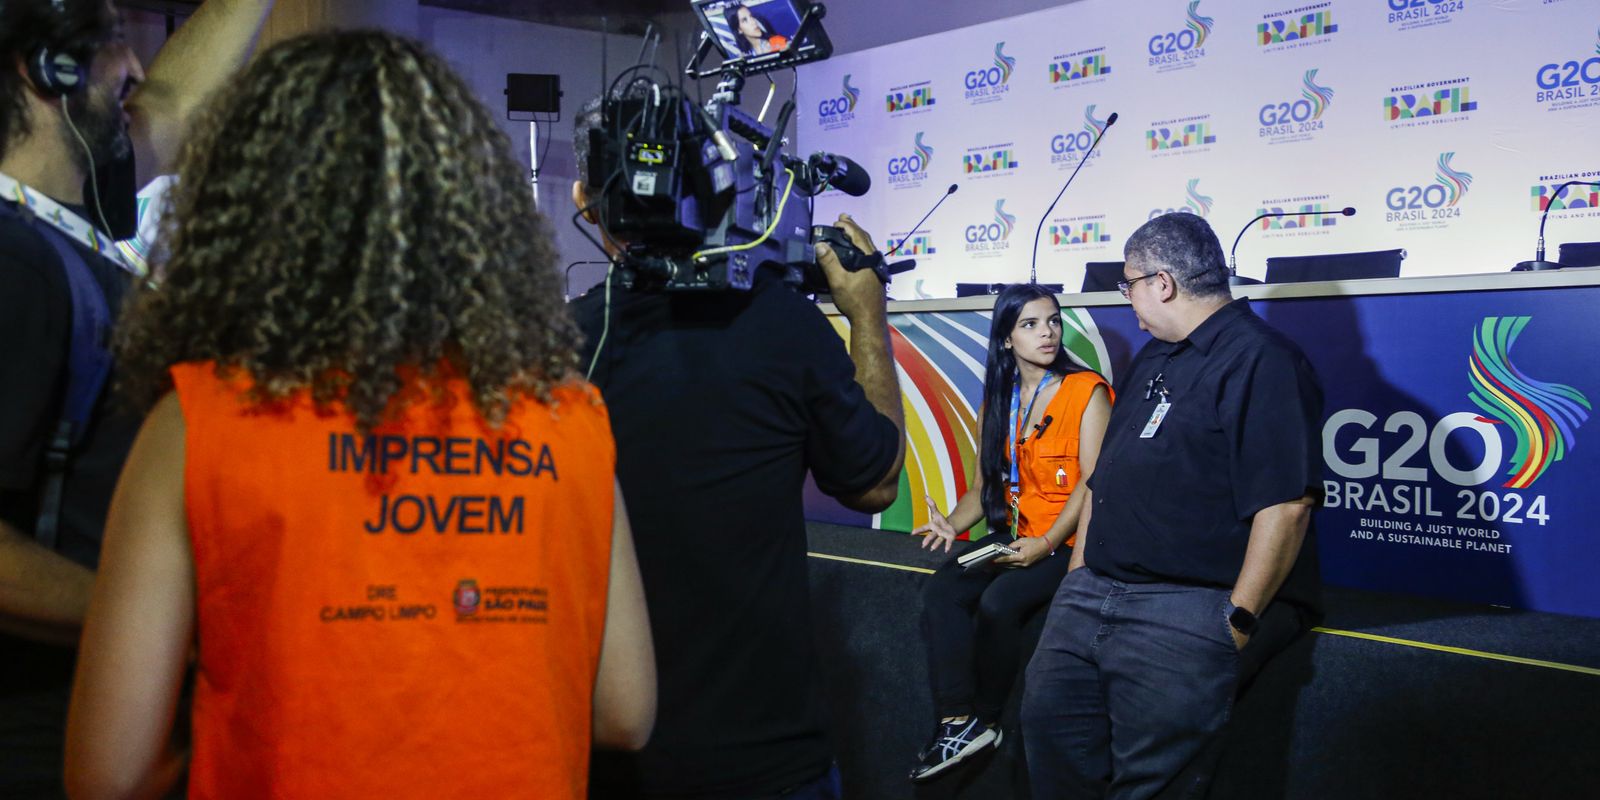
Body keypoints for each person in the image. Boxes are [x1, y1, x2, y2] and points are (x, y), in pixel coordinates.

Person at [63, 31, 655, 799]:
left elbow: (107, 775)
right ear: (473, 213)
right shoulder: (568, 417)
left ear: (248, 208)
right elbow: (624, 713)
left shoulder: (198, 424)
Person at [570, 94, 906, 798]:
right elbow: (874, 483)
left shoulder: (555, 346)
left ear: (584, 200)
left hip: (598, 758)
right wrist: (868, 316)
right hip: (765, 763)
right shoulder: (780, 324)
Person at [0, 1, 273, 795]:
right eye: (117, 47)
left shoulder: (58, 224)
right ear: (48, 70)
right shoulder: (16, 265)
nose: (138, 71)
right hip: (39, 745)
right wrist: (166, 626)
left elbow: (176, 102)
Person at [1020, 212, 1324, 799]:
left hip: (1184, 613)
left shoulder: (1262, 360)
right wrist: (1078, 576)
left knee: (1153, 784)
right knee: (1053, 753)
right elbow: (1105, 477)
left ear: (1162, 283)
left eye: (1129, 283)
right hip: (1088, 597)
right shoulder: (1155, 355)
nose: (1126, 297)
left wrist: (1236, 623)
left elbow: (1286, 507)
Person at [909, 284, 1111, 782]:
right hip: (1014, 534)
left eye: (1053, 321)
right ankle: (958, 722)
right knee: (942, 591)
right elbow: (984, 489)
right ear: (1006, 338)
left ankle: (988, 717)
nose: (1047, 333)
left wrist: (1046, 544)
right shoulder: (999, 400)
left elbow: (1092, 483)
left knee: (1000, 602)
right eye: (1030, 324)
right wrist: (952, 523)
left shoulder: (1088, 391)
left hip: (1069, 542)